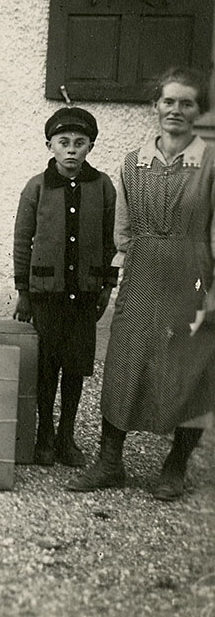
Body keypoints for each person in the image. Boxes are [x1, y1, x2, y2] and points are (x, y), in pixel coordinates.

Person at [70, 67, 215, 501]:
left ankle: (175, 467)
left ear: (199, 111)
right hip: (142, 273)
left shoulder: (210, 164)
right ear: (155, 105)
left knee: (189, 369)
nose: (176, 110)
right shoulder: (133, 161)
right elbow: (124, 229)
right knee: (125, 365)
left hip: (194, 273)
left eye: (186, 103)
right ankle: (110, 461)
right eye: (168, 101)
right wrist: (129, 264)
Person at [13, 107, 117, 467]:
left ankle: (66, 435)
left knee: (75, 367)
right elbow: (22, 239)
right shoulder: (37, 187)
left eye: (79, 143)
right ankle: (44, 434)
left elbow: (110, 239)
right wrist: (24, 291)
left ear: (90, 146)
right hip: (46, 294)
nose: (71, 150)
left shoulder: (102, 186)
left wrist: (106, 286)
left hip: (85, 294)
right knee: (47, 365)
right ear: (50, 145)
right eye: (63, 143)